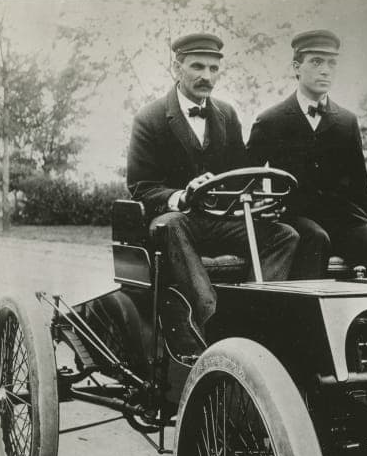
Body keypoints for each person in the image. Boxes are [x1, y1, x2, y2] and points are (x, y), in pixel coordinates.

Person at [126, 32, 300, 365]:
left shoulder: (227, 115)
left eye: (214, 68)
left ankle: (254, 317)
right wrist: (182, 195)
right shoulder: (149, 119)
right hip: (178, 221)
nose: (207, 76)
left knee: (285, 235)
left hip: (222, 221)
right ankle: (210, 320)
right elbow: (141, 187)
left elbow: (241, 173)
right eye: (197, 66)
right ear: (176, 67)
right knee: (172, 225)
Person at [247, 29, 367, 279]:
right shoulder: (271, 120)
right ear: (297, 67)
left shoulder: (346, 121)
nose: (325, 70)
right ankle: (307, 316)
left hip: (344, 220)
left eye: (332, 63)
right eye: (316, 62)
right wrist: (261, 208)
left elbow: (361, 188)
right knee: (316, 240)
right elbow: (248, 176)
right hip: (296, 218)